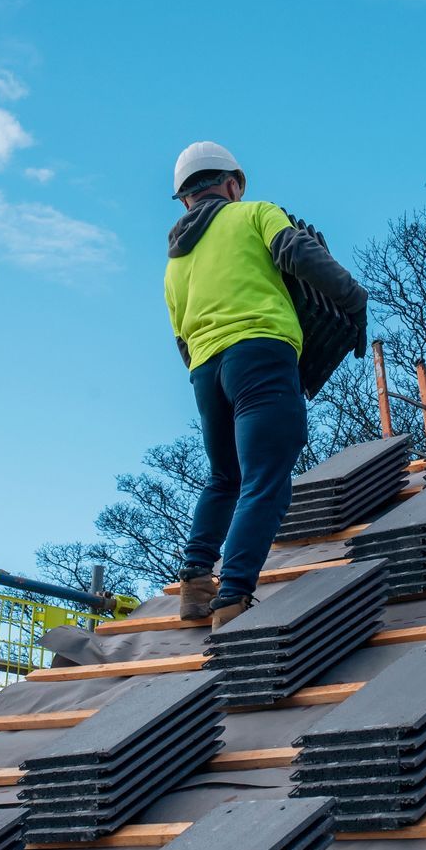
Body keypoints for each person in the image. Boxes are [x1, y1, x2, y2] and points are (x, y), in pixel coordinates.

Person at [165, 141, 368, 625]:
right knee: (266, 476)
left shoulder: (173, 265)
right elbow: (296, 250)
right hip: (260, 352)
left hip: (205, 372)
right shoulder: (254, 213)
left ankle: (195, 583)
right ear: (231, 183)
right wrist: (354, 298)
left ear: (185, 199)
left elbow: (182, 341)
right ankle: (232, 595)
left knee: (224, 477)